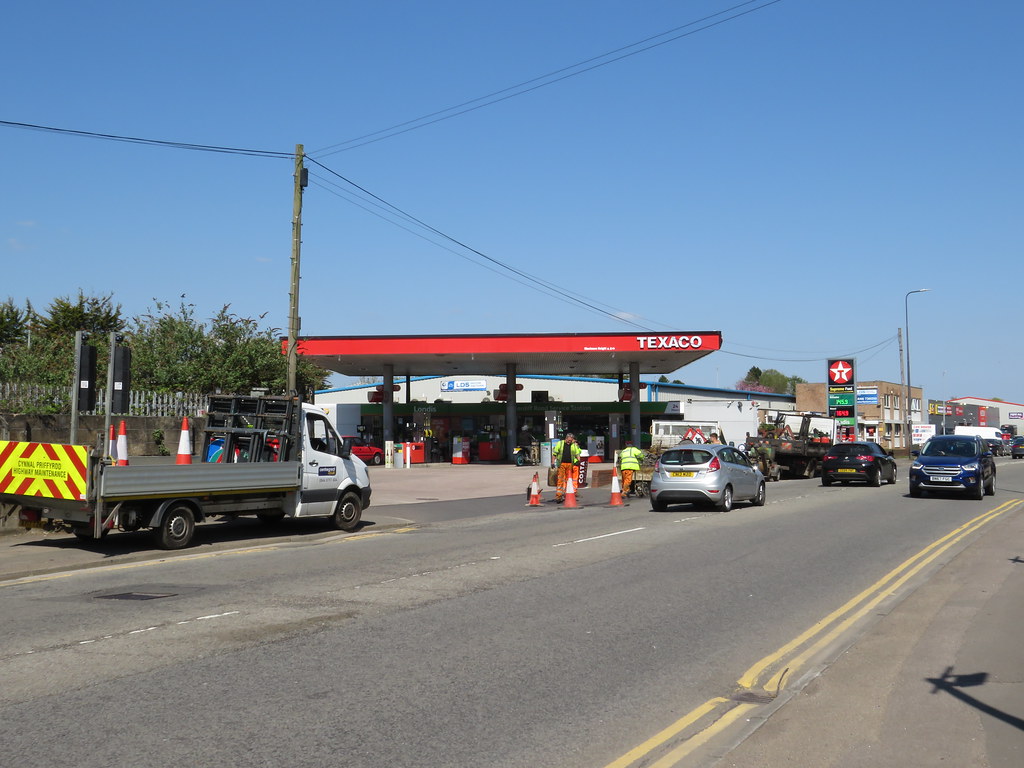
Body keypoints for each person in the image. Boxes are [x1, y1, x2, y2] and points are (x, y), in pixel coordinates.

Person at [551, 432, 582, 503]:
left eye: (571, 441)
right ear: (566, 438)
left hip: (570, 465)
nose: (569, 442)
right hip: (561, 464)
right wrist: (553, 462)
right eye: (569, 440)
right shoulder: (560, 444)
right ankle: (558, 496)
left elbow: (577, 453)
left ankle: (567, 494)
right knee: (560, 480)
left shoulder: (573, 445)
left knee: (569, 480)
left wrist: (578, 460)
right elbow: (554, 454)